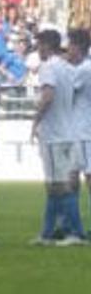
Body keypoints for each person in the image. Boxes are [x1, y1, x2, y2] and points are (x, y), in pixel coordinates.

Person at [30, 30, 85, 246]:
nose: (38, 50)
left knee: (59, 185)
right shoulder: (67, 67)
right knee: (54, 185)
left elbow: (48, 96)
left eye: (39, 45)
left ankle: (77, 233)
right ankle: (46, 233)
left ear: (46, 45)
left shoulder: (48, 67)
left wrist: (35, 121)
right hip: (69, 131)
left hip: (53, 135)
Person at [68, 29, 91, 222]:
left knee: (75, 177)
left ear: (78, 47)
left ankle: (71, 224)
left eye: (70, 45)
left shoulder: (83, 70)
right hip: (84, 128)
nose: (68, 50)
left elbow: (68, 95)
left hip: (82, 130)